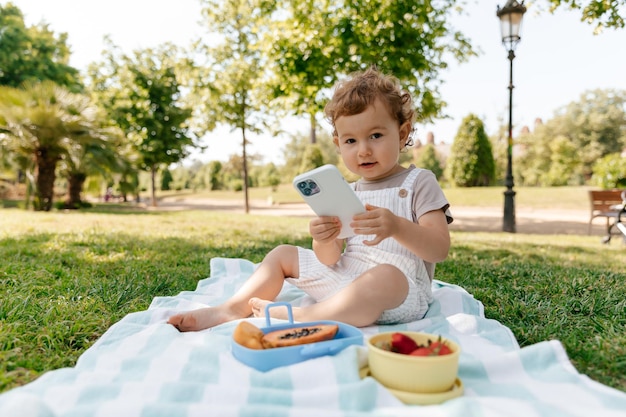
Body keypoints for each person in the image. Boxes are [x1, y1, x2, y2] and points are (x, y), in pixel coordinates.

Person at [168, 67, 452, 332]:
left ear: (402, 134)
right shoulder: (348, 191)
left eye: (375, 135)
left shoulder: (419, 182)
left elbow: (438, 249)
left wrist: (397, 227)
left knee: (385, 276)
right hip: (344, 282)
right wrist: (324, 239)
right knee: (283, 254)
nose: (363, 150)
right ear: (339, 144)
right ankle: (230, 310)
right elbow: (330, 259)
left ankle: (302, 317)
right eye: (351, 141)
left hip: (398, 293)